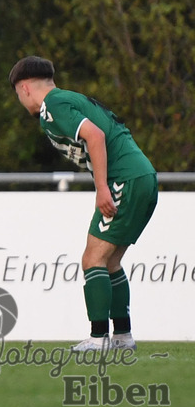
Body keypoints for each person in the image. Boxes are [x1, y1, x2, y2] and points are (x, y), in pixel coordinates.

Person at [9, 56, 157, 352]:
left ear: (24, 88)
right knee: (110, 261)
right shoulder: (67, 98)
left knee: (92, 260)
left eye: (16, 94)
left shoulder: (54, 106)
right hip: (141, 176)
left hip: (123, 179)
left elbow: (94, 135)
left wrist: (102, 187)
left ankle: (99, 337)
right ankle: (122, 336)